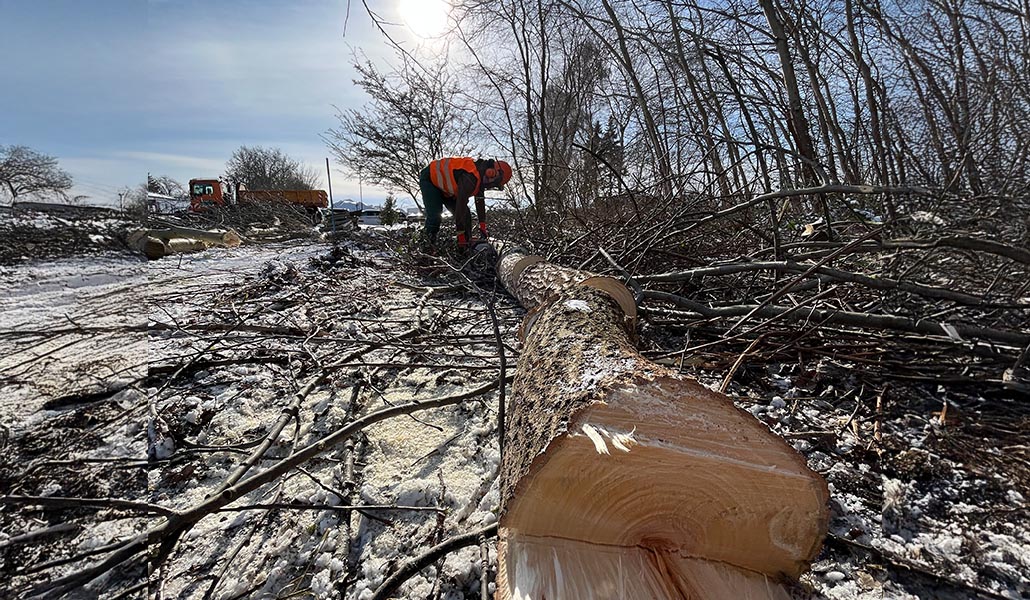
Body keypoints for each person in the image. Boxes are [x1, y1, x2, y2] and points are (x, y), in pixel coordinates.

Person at [419, 157, 512, 250]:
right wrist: (460, 234)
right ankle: (425, 248)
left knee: (466, 215)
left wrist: (483, 226)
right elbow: (461, 204)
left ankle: (467, 244)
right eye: (494, 181)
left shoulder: (480, 177)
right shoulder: (471, 176)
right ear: (492, 172)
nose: (491, 184)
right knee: (435, 216)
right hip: (430, 179)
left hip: (445, 188)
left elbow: (479, 201)